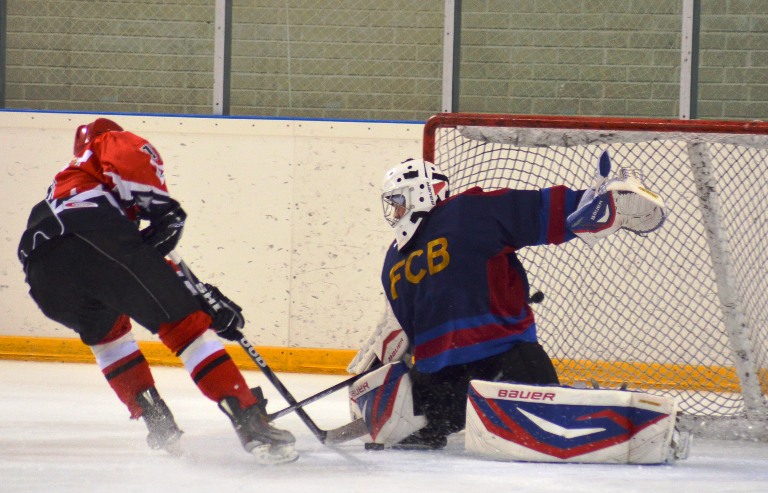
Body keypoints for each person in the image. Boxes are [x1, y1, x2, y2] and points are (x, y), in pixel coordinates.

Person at [17, 118, 298, 464]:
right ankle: (250, 422)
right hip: (90, 240)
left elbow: (133, 263)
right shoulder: (112, 141)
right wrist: (199, 303)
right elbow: (158, 229)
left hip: (43, 274)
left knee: (110, 339)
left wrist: (198, 293)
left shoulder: (66, 187)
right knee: (187, 327)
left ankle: (158, 424)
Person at [348, 157, 665, 450]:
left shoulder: (466, 212)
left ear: (423, 193)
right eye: (391, 205)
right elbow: (404, 331)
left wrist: (594, 204)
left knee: (543, 412)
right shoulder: (393, 259)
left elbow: (539, 211)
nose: (395, 213)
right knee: (406, 428)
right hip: (445, 379)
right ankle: (434, 424)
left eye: (399, 202)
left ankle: (608, 420)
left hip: (503, 358)